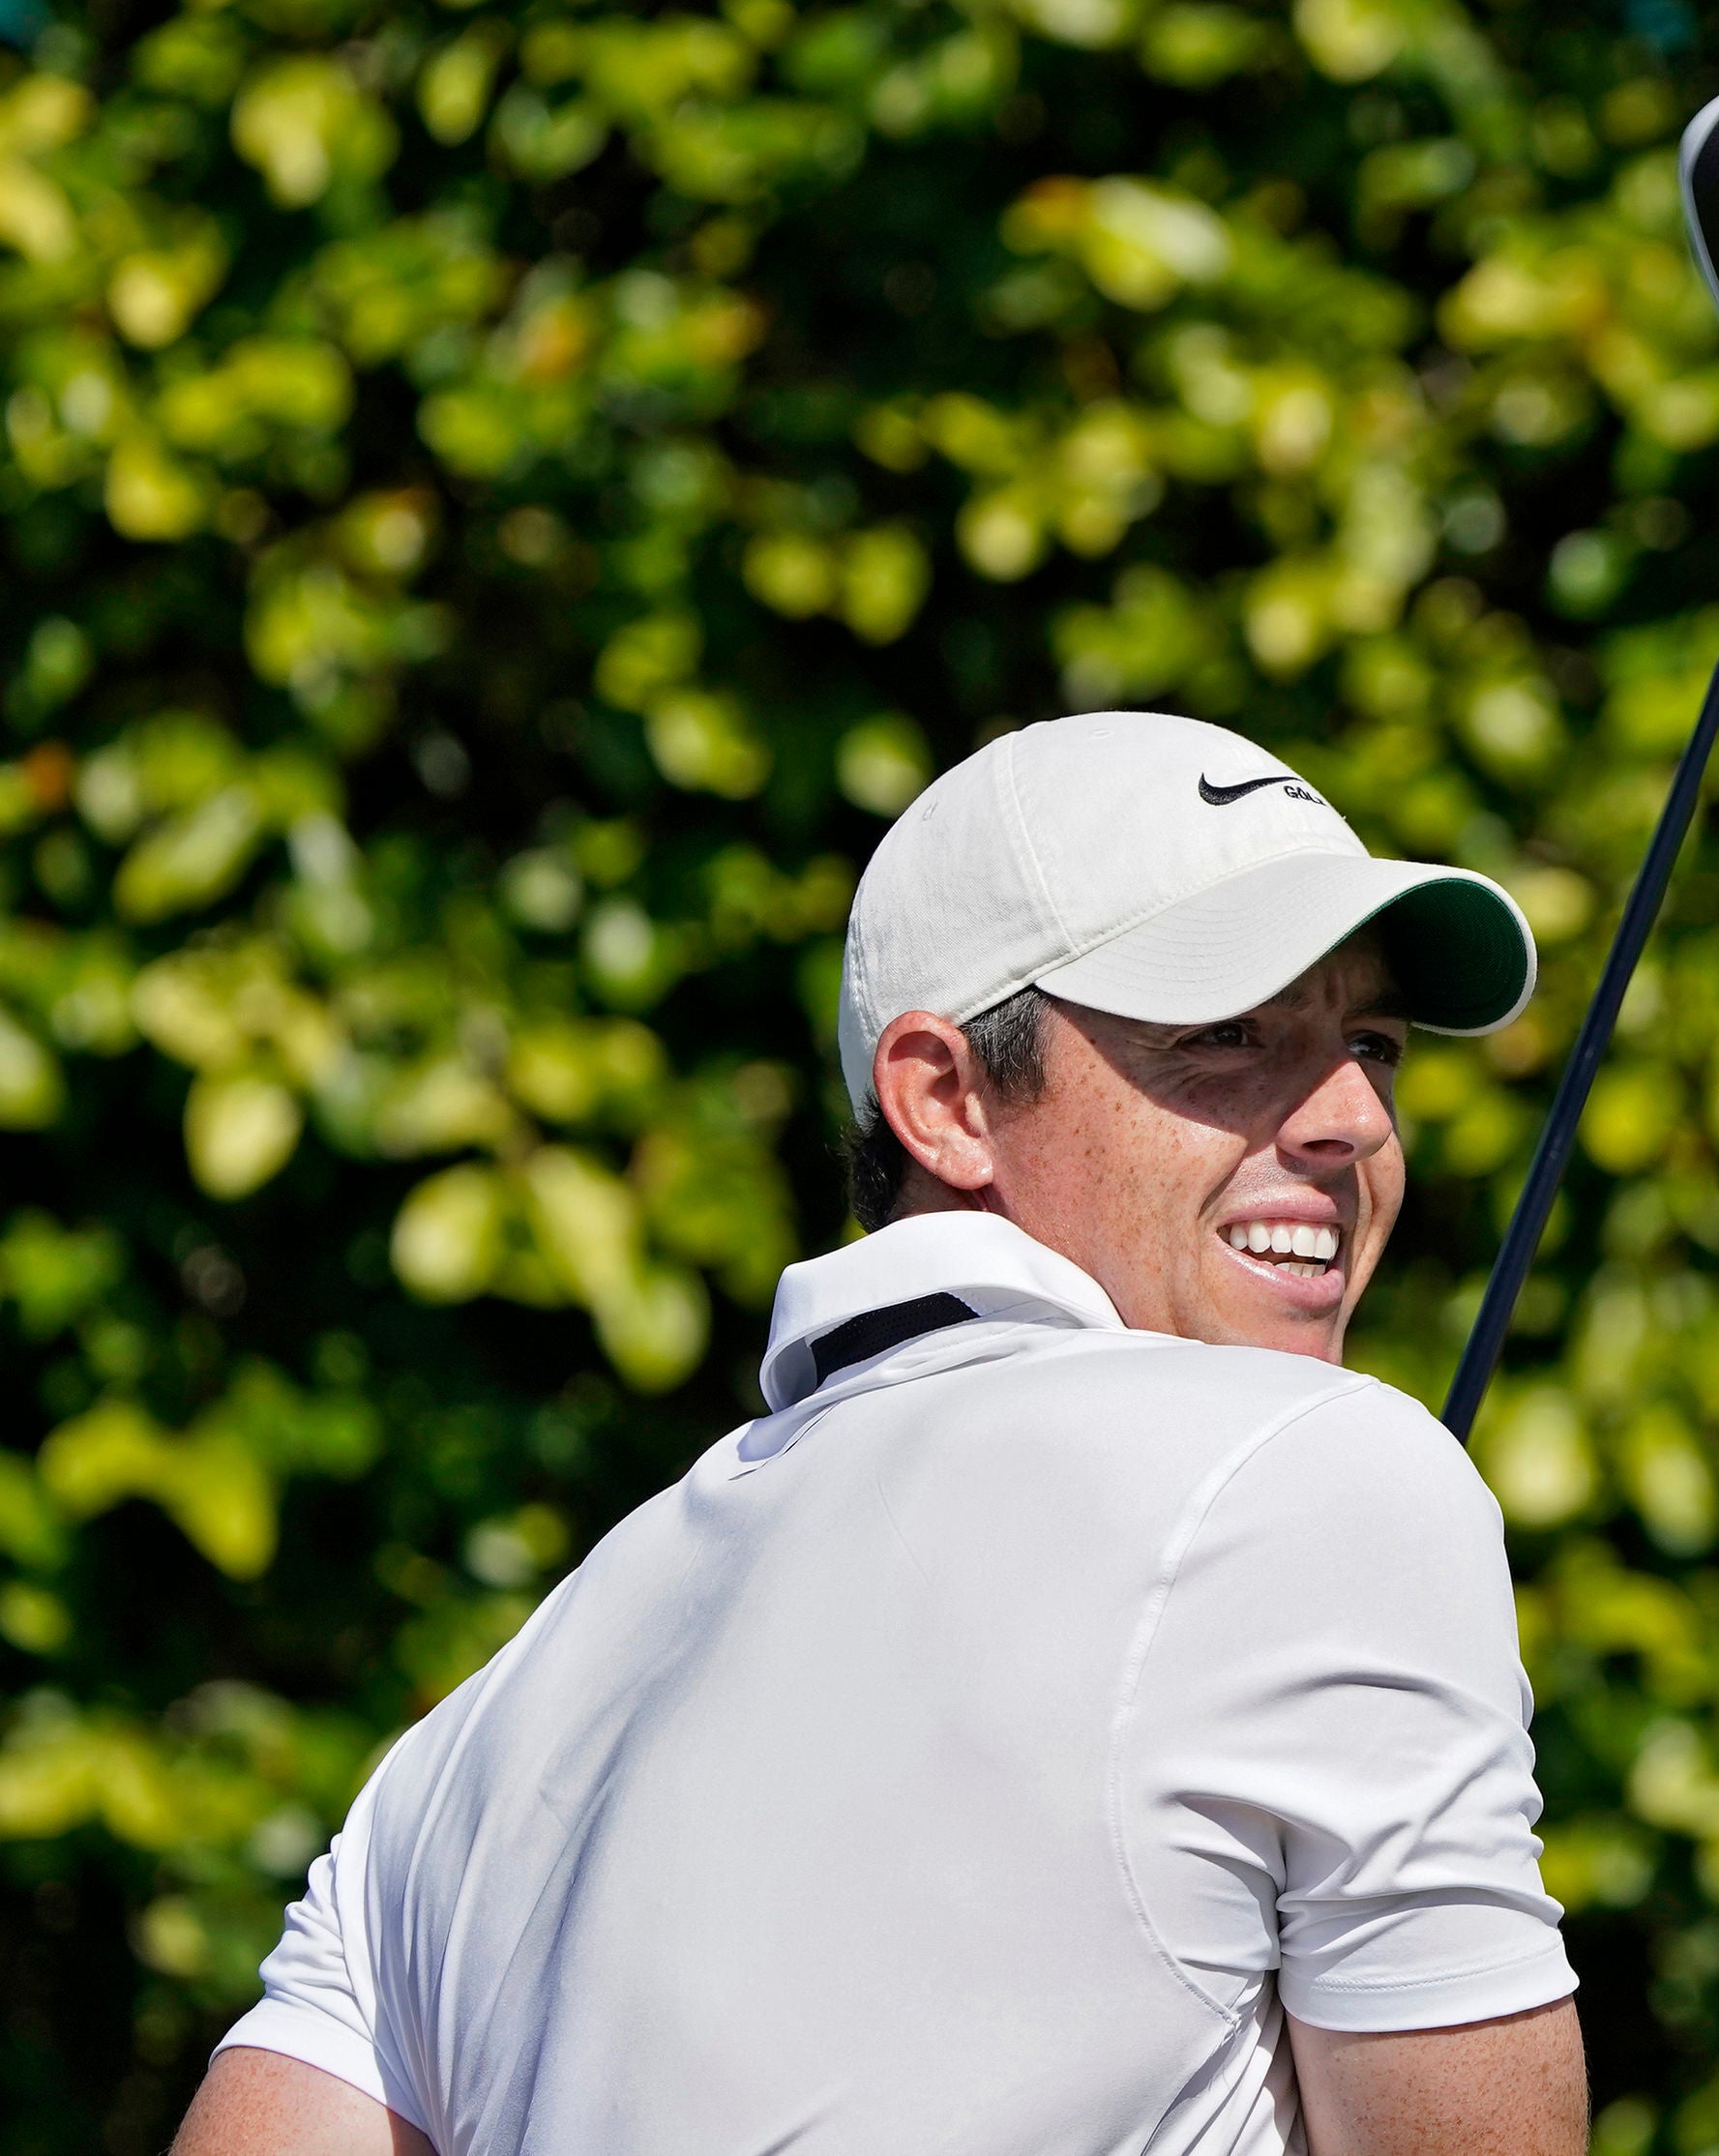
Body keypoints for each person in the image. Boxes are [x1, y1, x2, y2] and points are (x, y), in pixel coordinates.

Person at [174, 713, 1586, 2156]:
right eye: (1228, 1030)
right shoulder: (1333, 1473)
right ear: (945, 1099)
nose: (1354, 1115)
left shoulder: (497, 1711)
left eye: (1372, 1043)